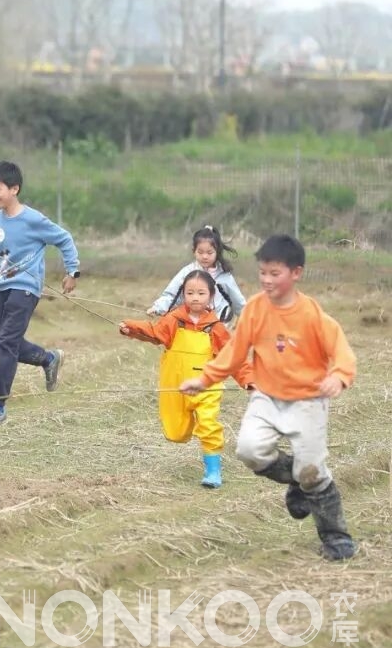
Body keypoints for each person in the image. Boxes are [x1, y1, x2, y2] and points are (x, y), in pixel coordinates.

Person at [181, 234, 357, 561]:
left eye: (275, 273)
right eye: (263, 272)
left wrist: (338, 376)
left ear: (296, 273)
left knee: (313, 471)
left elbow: (342, 352)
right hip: (266, 398)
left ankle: (336, 537)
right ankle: (299, 480)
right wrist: (205, 379)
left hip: (308, 401)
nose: (266, 279)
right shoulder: (255, 310)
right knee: (250, 450)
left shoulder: (312, 315)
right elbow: (234, 352)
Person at [0, 160, 80, 428]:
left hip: (25, 289)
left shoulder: (33, 219)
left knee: (5, 343)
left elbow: (64, 239)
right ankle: (48, 358)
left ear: (14, 189)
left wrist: (72, 271)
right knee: (1, 341)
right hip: (2, 287)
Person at [120, 270, 252, 488]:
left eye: (201, 293)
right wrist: (131, 328)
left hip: (206, 387)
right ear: (183, 294)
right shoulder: (174, 320)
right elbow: (154, 333)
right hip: (176, 385)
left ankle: (213, 471)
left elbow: (232, 357)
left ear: (211, 296)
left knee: (208, 424)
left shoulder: (215, 328)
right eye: (190, 292)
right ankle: (189, 437)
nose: (195, 297)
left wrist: (248, 380)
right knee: (176, 433)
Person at [147, 225, 247, 323]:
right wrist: (158, 307)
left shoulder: (224, 275)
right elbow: (171, 295)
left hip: (218, 326)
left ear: (217, 252)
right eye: (200, 252)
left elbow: (238, 302)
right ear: (194, 251)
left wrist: (251, 320)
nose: (205, 256)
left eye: (209, 253)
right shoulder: (187, 273)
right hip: (192, 325)